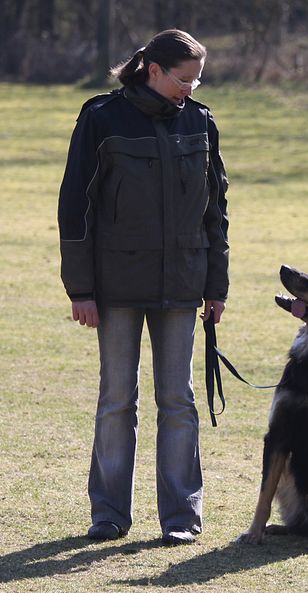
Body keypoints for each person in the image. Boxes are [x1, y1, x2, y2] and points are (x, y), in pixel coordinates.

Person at [57, 29, 229, 545]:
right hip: (115, 286)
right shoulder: (101, 118)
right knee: (117, 399)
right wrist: (80, 289)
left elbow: (216, 212)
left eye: (197, 80)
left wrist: (216, 286)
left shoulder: (201, 122)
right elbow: (75, 206)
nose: (190, 89)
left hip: (183, 282)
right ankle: (109, 514)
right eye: (183, 79)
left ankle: (181, 517)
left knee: (178, 400)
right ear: (154, 70)